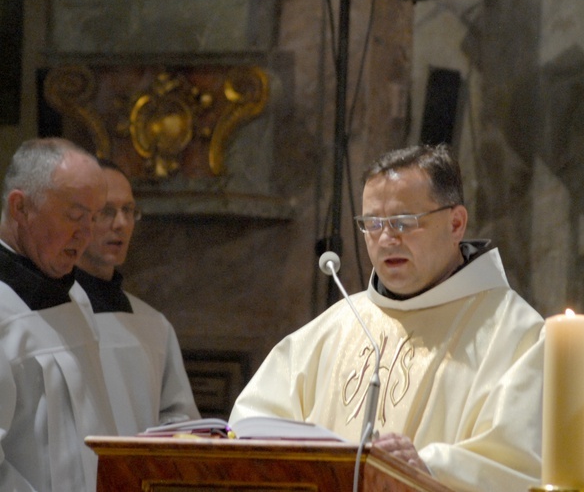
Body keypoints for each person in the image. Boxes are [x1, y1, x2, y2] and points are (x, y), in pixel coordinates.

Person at [230, 144, 545, 491]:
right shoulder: (334, 328)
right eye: (372, 224)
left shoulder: (517, 335)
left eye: (403, 223)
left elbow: (523, 462)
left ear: (456, 223)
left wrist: (429, 468)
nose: (385, 239)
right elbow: (249, 427)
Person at [0, 137, 117, 492]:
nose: (87, 234)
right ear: (20, 207)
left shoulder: (75, 296)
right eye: (75, 215)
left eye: (95, 217)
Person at [72, 159, 200, 436]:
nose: (121, 224)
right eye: (107, 211)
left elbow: (178, 417)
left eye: (128, 210)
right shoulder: (52, 314)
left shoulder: (153, 324)